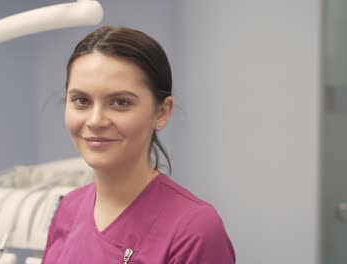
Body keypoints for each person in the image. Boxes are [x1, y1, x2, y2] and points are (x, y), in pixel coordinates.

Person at [41, 26, 235, 263]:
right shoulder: (68, 209)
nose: (95, 121)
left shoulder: (193, 230)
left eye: (120, 102)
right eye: (81, 100)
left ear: (162, 112)